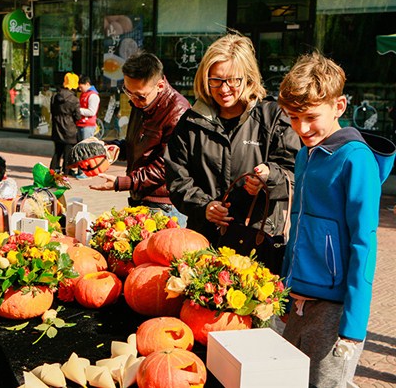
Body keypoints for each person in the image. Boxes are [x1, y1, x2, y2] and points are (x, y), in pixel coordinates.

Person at [277, 52, 396, 388]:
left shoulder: (356, 161)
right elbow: (298, 227)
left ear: (339, 106)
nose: (301, 128)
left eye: (310, 117)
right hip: (297, 295)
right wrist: (286, 285)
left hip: (334, 306)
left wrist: (354, 326)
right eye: (293, 117)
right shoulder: (305, 153)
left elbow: (364, 243)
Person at [164, 32, 300, 244]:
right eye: (216, 80)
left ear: (248, 77)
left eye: (233, 80)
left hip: (258, 238)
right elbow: (177, 179)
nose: (224, 89)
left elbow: (294, 171)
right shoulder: (191, 122)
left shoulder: (273, 117)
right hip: (203, 239)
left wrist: (269, 178)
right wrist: (204, 206)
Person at [91, 51, 190, 225]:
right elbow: (138, 144)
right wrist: (114, 149)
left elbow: (167, 166)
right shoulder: (143, 101)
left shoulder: (177, 111)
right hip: (140, 196)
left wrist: (123, 182)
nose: (134, 100)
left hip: (164, 205)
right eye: (128, 92)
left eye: (140, 96)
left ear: (160, 86)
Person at [50, 72, 80, 176]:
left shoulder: (54, 97)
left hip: (56, 128)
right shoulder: (74, 100)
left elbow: (52, 111)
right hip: (69, 130)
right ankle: (65, 174)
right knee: (68, 154)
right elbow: (78, 116)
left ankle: (52, 172)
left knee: (57, 152)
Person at [75, 75, 100, 179]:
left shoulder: (93, 96)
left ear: (87, 84)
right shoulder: (84, 94)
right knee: (81, 149)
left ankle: (86, 172)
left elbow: (92, 111)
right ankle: (82, 171)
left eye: (81, 87)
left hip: (88, 125)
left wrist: (78, 110)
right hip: (81, 124)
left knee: (85, 149)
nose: (80, 89)